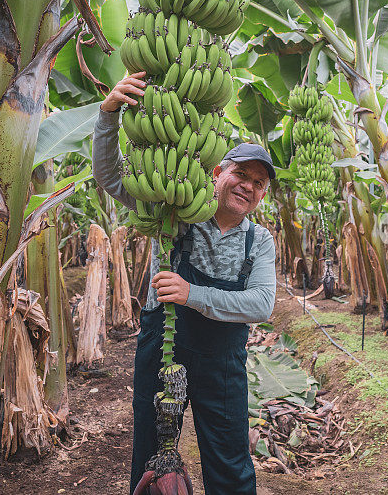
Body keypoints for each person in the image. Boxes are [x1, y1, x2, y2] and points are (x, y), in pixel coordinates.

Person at [92, 71, 277, 495]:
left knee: (230, 458)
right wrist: (109, 114)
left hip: (222, 360)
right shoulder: (173, 209)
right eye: (240, 174)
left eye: (258, 184)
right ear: (217, 172)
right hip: (164, 346)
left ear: (262, 194)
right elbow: (112, 178)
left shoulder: (258, 240)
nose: (247, 187)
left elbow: (262, 304)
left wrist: (194, 295)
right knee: (151, 454)